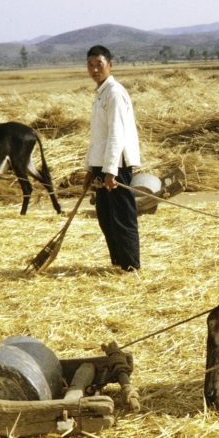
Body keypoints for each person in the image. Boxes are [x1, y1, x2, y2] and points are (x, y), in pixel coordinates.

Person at [84, 44, 142, 272]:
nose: (95, 69)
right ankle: (118, 262)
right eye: (90, 65)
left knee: (121, 218)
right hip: (103, 165)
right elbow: (97, 137)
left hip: (117, 166)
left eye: (99, 64)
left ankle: (131, 266)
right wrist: (90, 168)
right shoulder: (101, 94)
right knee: (106, 218)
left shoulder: (115, 93)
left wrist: (110, 171)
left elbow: (117, 134)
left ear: (110, 64)